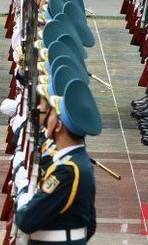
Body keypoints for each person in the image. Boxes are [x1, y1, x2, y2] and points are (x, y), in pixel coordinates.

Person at [14, 79, 100, 244]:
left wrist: (23, 192)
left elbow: (26, 220)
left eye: (51, 112)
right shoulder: (77, 162)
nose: (44, 116)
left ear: (59, 125)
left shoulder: (68, 170)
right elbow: (89, 224)